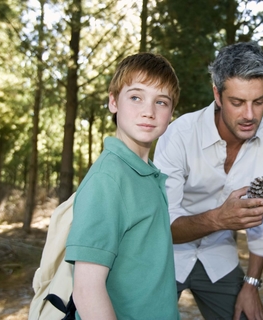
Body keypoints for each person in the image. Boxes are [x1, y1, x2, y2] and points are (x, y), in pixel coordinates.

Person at [154, 41, 263, 320]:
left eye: (258, 102)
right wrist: (219, 219)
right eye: (237, 102)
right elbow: (161, 224)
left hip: (219, 256)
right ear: (217, 94)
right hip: (165, 255)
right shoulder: (179, 134)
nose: (250, 115)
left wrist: (251, 284)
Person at [65, 53, 180, 320]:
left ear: (171, 113)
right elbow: (86, 290)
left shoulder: (146, 174)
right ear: (113, 101)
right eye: (136, 97)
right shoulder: (109, 179)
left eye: (161, 102)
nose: (148, 111)